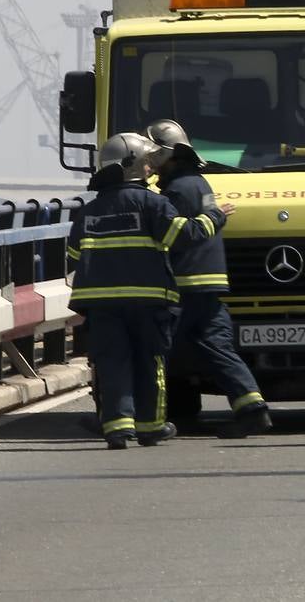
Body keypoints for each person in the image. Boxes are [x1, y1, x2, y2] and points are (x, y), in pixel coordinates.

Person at [66, 133, 234, 450]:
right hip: (147, 300)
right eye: (147, 162)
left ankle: (117, 429)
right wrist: (216, 215)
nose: (151, 168)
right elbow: (186, 235)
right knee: (150, 362)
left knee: (112, 363)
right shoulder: (153, 203)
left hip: (101, 305)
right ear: (133, 167)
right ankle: (150, 426)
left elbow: (73, 255)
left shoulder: (88, 212)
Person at [146, 119, 272, 439]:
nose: (149, 161)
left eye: (153, 153)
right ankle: (252, 408)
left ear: (166, 154)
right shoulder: (198, 183)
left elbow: (176, 236)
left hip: (186, 282)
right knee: (218, 347)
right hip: (208, 282)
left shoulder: (177, 190)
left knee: (156, 349)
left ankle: (146, 417)